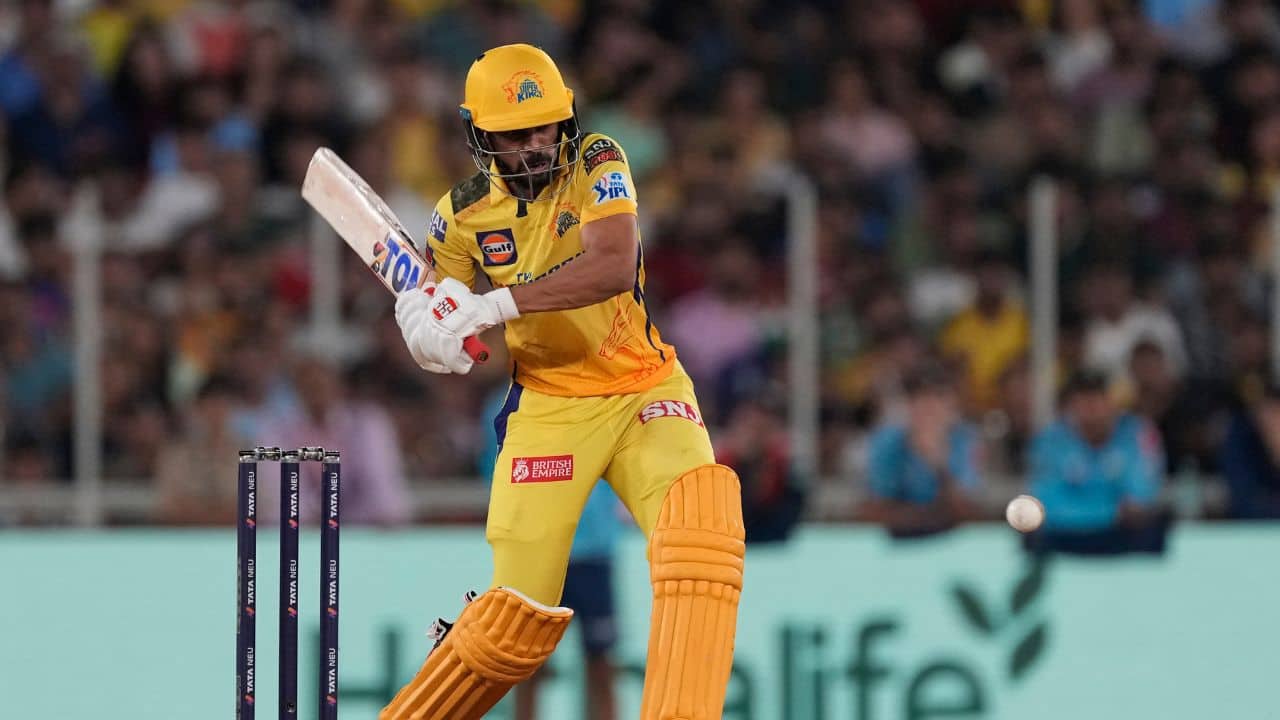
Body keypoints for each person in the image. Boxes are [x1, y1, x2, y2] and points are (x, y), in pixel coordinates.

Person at [385, 45, 744, 720]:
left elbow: (611, 264)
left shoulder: (598, 160)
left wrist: (499, 304)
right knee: (508, 628)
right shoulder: (458, 216)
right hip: (549, 407)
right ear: (479, 136)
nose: (534, 147)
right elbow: (450, 318)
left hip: (644, 388)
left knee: (702, 534)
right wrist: (433, 339)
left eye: (545, 128)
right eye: (515, 135)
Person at [475, 385, 623, 720]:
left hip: (592, 549)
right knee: (528, 665)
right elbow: (496, 472)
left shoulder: (601, 393)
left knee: (601, 662)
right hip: (537, 550)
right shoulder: (501, 405)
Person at [1027, 369, 1169, 554]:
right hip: (1064, 536)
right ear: (1070, 405)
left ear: (1114, 403)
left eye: (1099, 398)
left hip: (1121, 536)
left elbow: (1140, 498)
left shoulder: (1138, 433)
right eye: (1083, 400)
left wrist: (1092, 506)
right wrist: (1107, 510)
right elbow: (1047, 503)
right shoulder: (1050, 440)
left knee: (1152, 530)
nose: (1092, 408)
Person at [857, 362, 985, 538]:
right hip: (897, 543)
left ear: (953, 403)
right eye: (921, 397)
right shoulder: (887, 441)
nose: (929, 407)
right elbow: (874, 511)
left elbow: (968, 512)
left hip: (953, 542)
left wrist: (938, 463)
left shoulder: (966, 440)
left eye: (939, 397)